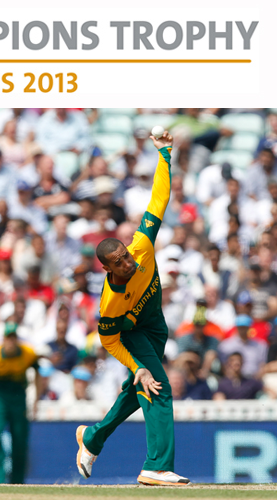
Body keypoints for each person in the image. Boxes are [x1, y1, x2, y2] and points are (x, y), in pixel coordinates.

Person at [75, 132, 190, 486]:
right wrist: (136, 365)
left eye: (126, 254)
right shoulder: (109, 303)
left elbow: (159, 199)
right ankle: (156, 466)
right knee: (157, 386)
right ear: (107, 270)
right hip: (132, 333)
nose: (129, 262)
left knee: (136, 392)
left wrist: (164, 153)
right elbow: (108, 341)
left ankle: (92, 438)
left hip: (156, 325)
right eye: (119, 262)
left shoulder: (141, 245)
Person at [0, 322, 41, 484]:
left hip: (19, 396)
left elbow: (38, 372)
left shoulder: (27, 353)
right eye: (8, 338)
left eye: (13, 338)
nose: (11, 341)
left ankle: (17, 481)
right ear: (4, 339)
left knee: (20, 438)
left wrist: (36, 400)